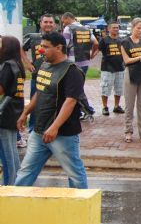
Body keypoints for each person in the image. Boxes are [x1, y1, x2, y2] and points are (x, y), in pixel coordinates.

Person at [15, 32, 88, 189]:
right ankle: (11, 208)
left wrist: (54, 127)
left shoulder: (72, 71)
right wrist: (25, 112)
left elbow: (70, 102)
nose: (41, 50)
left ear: (58, 47)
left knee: (75, 174)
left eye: (45, 47)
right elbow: (40, 91)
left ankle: (80, 210)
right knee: (25, 172)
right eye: (41, 46)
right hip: (39, 131)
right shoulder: (43, 64)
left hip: (62, 134)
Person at [21, 13, 56, 138]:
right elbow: (21, 48)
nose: (48, 24)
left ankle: (50, 128)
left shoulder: (58, 38)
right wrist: (27, 63)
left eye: (50, 22)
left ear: (54, 24)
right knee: (34, 103)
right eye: (45, 22)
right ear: (40, 24)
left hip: (54, 77)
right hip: (37, 77)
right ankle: (33, 130)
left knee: (53, 103)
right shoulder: (33, 37)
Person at [120, 18, 141, 142]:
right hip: (131, 74)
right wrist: (139, 57)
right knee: (129, 105)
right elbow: (126, 60)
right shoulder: (125, 42)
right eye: (138, 28)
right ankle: (128, 132)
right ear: (132, 27)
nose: (140, 30)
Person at [61, 12, 98, 120]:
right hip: (85, 62)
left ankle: (87, 110)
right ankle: (78, 111)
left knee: (75, 88)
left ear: (68, 18)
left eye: (63, 21)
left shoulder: (69, 29)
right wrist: (92, 54)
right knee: (78, 86)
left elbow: (64, 45)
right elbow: (96, 43)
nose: (63, 23)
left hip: (73, 62)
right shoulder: (86, 29)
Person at [0, 36, 26, 185]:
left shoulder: (7, 66)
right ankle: (16, 184)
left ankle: (9, 187)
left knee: (6, 154)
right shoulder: (17, 64)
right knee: (11, 151)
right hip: (13, 111)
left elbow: (2, 90)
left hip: (4, 113)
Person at [98, 21, 125, 116]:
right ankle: (105, 107)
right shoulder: (104, 40)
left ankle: (116, 106)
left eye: (117, 27)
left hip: (120, 68)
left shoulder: (121, 40)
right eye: (114, 27)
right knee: (105, 87)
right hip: (107, 68)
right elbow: (99, 50)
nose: (116, 29)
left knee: (119, 88)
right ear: (109, 29)